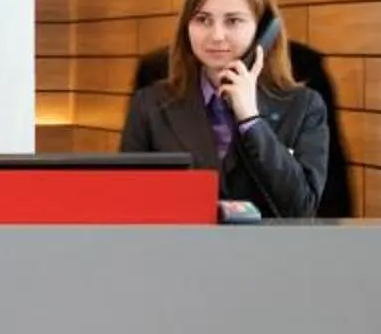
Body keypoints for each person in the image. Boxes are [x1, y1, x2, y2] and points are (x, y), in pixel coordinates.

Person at [118, 0, 332, 218]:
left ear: (264, 30)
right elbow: (128, 204)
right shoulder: (149, 105)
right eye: (203, 20)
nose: (216, 36)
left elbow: (301, 209)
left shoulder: (304, 107)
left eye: (233, 21)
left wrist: (251, 121)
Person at [130, 37, 355, 217]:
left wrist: (251, 120)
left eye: (235, 19)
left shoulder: (302, 70)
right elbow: (133, 193)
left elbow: (329, 198)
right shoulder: (158, 74)